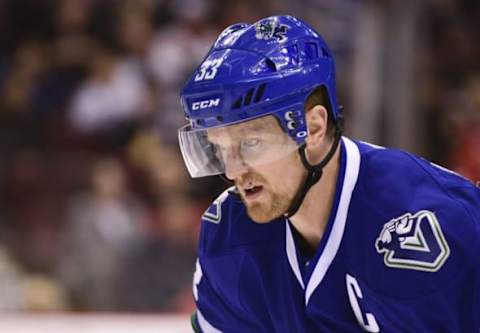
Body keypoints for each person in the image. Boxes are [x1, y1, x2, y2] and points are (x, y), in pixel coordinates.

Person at [177, 15, 480, 332]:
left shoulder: (419, 235)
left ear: (313, 127)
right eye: (220, 148)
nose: (233, 171)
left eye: (250, 143)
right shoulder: (228, 234)